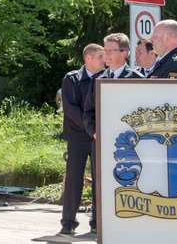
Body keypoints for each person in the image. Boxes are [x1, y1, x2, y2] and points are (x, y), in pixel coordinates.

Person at [59, 43, 105, 235]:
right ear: (89, 58)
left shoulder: (106, 78)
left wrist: (97, 131)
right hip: (78, 137)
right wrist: (91, 128)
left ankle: (96, 222)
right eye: (101, 57)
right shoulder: (73, 79)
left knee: (99, 180)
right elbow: (71, 109)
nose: (105, 60)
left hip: (98, 137)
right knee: (73, 180)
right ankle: (68, 222)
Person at [83, 33, 144, 141]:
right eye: (104, 51)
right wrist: (95, 133)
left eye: (110, 51)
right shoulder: (97, 78)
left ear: (123, 54)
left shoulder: (137, 79)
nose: (106, 54)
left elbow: (142, 111)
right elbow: (89, 111)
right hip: (101, 141)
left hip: (130, 142)